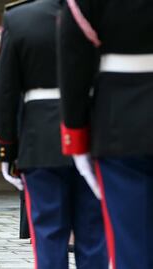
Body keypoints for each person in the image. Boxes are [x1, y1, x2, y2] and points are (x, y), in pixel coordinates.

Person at [0, 0, 107, 268]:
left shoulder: (18, 18)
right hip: (93, 135)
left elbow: (6, 92)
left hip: (40, 139)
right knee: (93, 234)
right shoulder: (100, 13)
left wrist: (7, 148)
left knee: (48, 232)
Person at [58, 0, 153, 268]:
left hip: (120, 120)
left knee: (131, 245)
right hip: (119, 122)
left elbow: (74, 59)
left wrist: (76, 137)